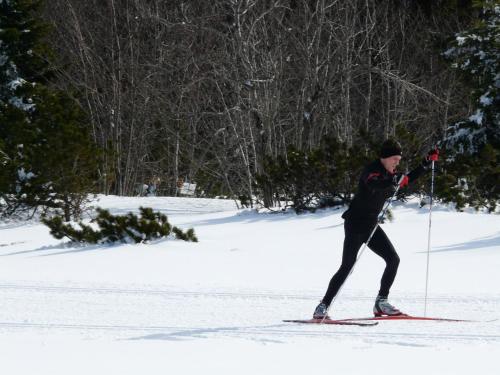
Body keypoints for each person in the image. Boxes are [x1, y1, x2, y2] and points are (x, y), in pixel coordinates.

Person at [313, 139, 439, 319]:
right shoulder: (371, 171)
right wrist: (393, 179)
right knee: (347, 266)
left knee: (393, 259)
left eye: (399, 159)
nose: (397, 162)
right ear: (385, 158)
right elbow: (375, 184)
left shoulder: (391, 173)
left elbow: (407, 179)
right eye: (394, 158)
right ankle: (322, 307)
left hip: (371, 225)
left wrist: (425, 164)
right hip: (355, 224)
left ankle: (381, 303)